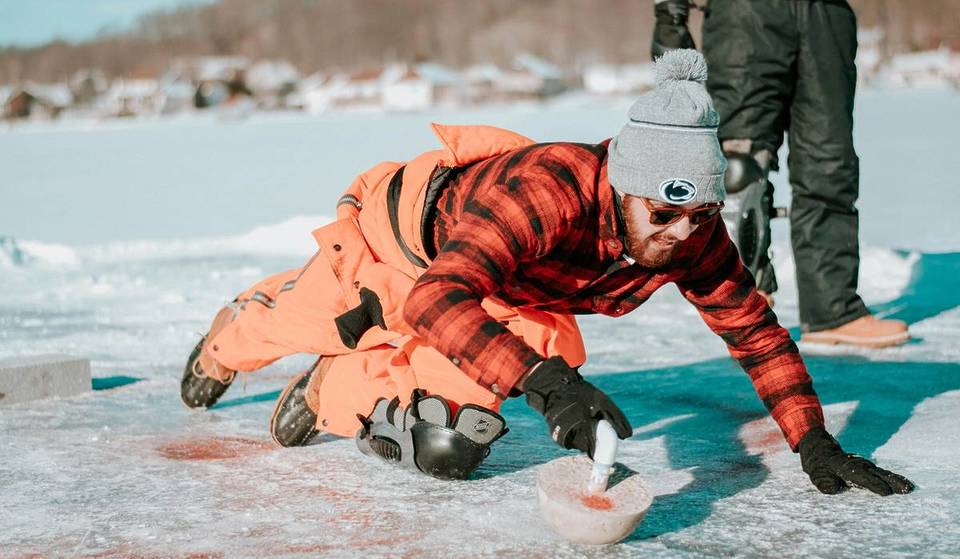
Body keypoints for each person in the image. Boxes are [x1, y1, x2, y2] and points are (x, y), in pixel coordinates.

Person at [181, 50, 912, 494]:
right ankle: (231, 334)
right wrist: (544, 381)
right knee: (314, 321)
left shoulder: (691, 231)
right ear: (625, 186)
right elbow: (439, 294)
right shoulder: (550, 189)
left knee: (448, 443)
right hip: (399, 247)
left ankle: (331, 384)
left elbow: (754, 333)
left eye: (699, 215)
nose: (681, 235)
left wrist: (812, 437)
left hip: (508, 293)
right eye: (663, 214)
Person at [651, 0, 909, 348]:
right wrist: (670, 11)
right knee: (740, 167)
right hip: (746, 15)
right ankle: (744, 308)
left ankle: (832, 310)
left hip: (826, 14)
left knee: (830, 165)